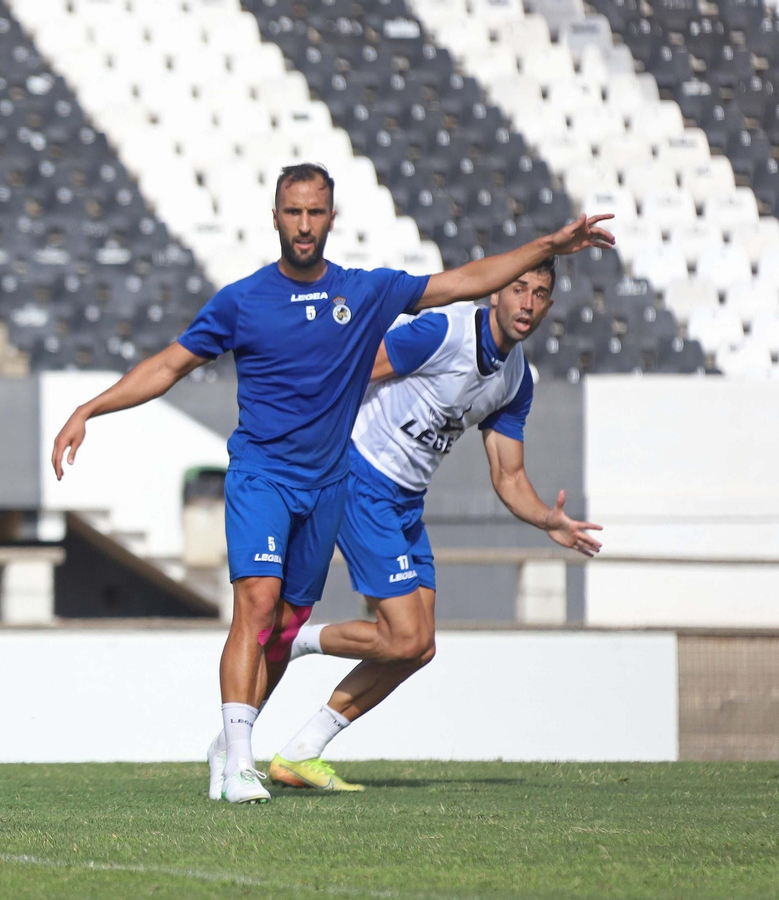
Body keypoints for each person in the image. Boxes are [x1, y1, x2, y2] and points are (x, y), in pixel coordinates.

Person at [51, 162, 614, 804]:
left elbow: (459, 282)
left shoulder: (368, 294)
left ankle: (233, 744)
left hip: (333, 487)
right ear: (275, 217)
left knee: (312, 630)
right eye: (293, 212)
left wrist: (548, 244)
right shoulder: (243, 300)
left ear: (331, 219)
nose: (304, 225)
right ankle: (240, 764)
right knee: (259, 606)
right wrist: (90, 408)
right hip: (270, 473)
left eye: (315, 213)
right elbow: (169, 364)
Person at [266, 258, 603, 792]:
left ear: (549, 307)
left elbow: (508, 475)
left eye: (540, 294)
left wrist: (547, 520)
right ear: (496, 291)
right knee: (403, 636)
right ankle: (294, 640)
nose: (528, 303)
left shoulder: (516, 380)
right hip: (360, 478)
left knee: (418, 648)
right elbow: (352, 370)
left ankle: (302, 751)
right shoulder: (444, 331)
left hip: (405, 501)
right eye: (518, 288)